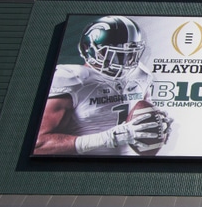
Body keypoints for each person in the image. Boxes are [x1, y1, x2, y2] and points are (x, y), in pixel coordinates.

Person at [33, 15, 171, 156]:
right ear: (88, 48)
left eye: (129, 53)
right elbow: (38, 144)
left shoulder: (140, 75)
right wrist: (106, 138)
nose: (123, 61)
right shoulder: (73, 80)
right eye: (114, 53)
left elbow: (142, 115)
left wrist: (158, 125)